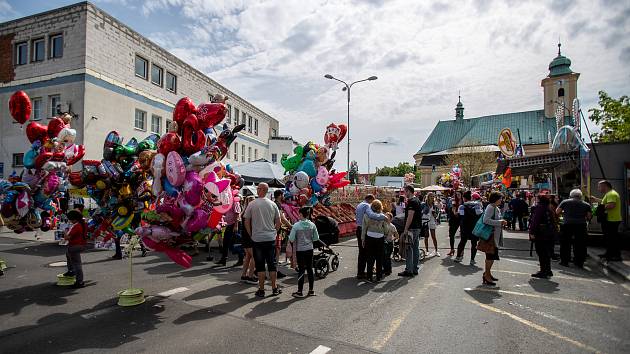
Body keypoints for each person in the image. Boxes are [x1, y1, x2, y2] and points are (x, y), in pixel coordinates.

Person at [244, 183, 282, 297]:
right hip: (270, 238)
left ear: (261, 190)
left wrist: (251, 234)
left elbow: (246, 221)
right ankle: (274, 288)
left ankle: (261, 289)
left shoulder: (252, 204)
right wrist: (274, 232)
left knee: (260, 265)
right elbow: (279, 221)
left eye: (258, 188)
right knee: (272, 264)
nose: (257, 189)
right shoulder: (273, 204)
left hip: (257, 239)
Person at [288, 206, 319, 298]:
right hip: (310, 249)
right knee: (309, 269)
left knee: (301, 270)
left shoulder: (296, 226)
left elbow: (291, 239)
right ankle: (311, 290)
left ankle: (300, 291)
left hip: (300, 250)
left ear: (301, 214)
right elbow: (316, 238)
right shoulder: (312, 225)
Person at [556, 189, 592, 268]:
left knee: (565, 243)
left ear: (571, 195)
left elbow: (557, 212)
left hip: (567, 224)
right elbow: (589, 216)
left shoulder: (565, 202)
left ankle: (565, 261)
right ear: (580, 196)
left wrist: (564, 214)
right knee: (580, 244)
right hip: (581, 225)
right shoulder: (586, 204)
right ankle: (579, 262)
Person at [478, 192, 507, 286]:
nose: (501, 200)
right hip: (490, 236)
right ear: (496, 199)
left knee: (492, 256)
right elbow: (486, 220)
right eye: (500, 198)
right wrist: (500, 222)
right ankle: (486, 275)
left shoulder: (495, 208)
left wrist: (501, 221)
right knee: (490, 256)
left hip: (494, 236)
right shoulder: (491, 207)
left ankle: (488, 273)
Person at [355, 194, 387, 279]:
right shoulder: (367, 206)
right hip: (365, 230)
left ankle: (361, 272)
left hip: (359, 228)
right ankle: (364, 273)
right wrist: (384, 216)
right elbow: (372, 215)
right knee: (370, 254)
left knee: (362, 252)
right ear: (370, 200)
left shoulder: (359, 205)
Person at [590, 180, 623, 262]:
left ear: (605, 186)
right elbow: (604, 202)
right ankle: (609, 253)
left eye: (599, 187)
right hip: (610, 219)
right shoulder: (609, 194)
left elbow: (611, 205)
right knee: (609, 238)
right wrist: (596, 200)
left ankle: (616, 256)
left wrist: (598, 208)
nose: (598, 189)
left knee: (612, 238)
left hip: (612, 219)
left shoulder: (611, 194)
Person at [529, 194, 558, 278]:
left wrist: (532, 232)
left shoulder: (540, 207)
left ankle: (544, 271)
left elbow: (535, 221)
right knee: (546, 252)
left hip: (541, 234)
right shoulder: (549, 207)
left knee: (541, 252)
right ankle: (547, 270)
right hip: (549, 233)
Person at [361, 200, 388, 282]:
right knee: (379, 257)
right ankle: (378, 276)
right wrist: (385, 234)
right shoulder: (383, 216)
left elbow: (364, 228)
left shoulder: (366, 215)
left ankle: (369, 276)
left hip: (370, 236)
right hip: (380, 237)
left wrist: (363, 239)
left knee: (370, 257)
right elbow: (385, 228)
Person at [399, 185, 423, 277]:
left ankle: (409, 270)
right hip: (417, 227)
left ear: (409, 191)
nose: (404, 193)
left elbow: (410, 216)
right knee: (415, 248)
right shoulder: (417, 200)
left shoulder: (412, 202)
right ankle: (414, 268)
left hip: (412, 228)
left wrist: (405, 229)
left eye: (405, 191)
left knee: (409, 249)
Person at [454, 191, 483, 265]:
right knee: (474, 244)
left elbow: (460, 216)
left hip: (464, 227)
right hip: (474, 227)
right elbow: (480, 215)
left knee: (462, 242)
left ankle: (458, 257)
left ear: (464, 198)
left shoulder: (462, 206)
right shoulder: (478, 206)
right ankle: (472, 260)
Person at [63, 209, 87, 288]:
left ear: (74, 219)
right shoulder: (82, 223)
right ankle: (71, 271)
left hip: (75, 246)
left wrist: (65, 231)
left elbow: (67, 237)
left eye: (70, 219)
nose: (70, 221)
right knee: (68, 254)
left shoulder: (76, 226)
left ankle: (79, 281)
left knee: (77, 264)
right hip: (80, 245)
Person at [216, 196, 243, 266]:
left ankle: (241, 259)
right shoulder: (227, 202)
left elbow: (237, 213)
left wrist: (236, 226)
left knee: (237, 242)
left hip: (235, 224)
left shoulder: (235, 201)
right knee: (225, 242)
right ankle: (223, 259)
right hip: (230, 224)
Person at [274, 190, 292, 278]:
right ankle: (275, 271)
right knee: (277, 250)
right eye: (283, 195)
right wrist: (291, 226)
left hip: (272, 230)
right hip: (276, 230)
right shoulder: (277, 204)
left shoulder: (273, 203)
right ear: (280, 195)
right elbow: (282, 218)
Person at [240, 196, 257, 284]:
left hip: (245, 236)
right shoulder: (251, 212)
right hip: (250, 236)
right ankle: (250, 276)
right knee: (254, 256)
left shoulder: (244, 212)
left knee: (248, 256)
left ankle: (244, 275)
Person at [422, 193, 440, 257]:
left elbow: (436, 216)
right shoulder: (424, 204)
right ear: (428, 197)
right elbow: (421, 212)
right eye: (431, 196)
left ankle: (436, 251)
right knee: (426, 236)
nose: (432, 197)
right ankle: (427, 251)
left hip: (432, 221)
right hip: (425, 221)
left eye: (433, 196)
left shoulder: (435, 205)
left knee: (433, 237)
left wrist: (434, 214)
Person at [447, 192, 462, 256]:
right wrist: (455, 212)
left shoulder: (463, 201)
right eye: (457, 194)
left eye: (459, 194)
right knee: (451, 235)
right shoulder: (453, 200)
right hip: (454, 219)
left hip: (461, 219)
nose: (458, 195)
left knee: (463, 236)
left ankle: (462, 250)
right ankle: (452, 249)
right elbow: (453, 208)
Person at [383, 212, 398, 276]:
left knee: (387, 257)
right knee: (383, 257)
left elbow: (397, 235)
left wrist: (393, 239)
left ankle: (388, 270)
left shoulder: (392, 226)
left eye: (387, 217)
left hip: (389, 243)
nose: (385, 218)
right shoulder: (383, 225)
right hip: (383, 243)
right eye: (385, 217)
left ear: (391, 219)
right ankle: (385, 269)